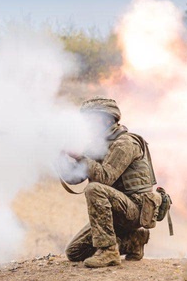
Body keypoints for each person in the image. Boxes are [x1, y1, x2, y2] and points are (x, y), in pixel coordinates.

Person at [64, 97, 161, 268]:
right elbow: (74, 179)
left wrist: (80, 156)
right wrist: (58, 155)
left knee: (94, 189)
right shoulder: (97, 144)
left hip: (136, 208)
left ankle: (109, 252)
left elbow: (105, 178)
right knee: (74, 252)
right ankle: (133, 240)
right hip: (117, 210)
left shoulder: (125, 143)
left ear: (107, 118)